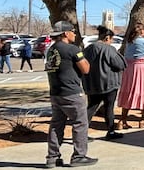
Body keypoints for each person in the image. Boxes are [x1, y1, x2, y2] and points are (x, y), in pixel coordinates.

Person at [45, 21, 97, 168]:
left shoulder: (51, 50)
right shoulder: (72, 49)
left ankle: (52, 157)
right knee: (80, 124)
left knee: (56, 125)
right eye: (73, 31)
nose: (74, 34)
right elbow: (85, 69)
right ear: (66, 33)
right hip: (72, 93)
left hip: (56, 93)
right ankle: (79, 156)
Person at [84, 25, 126, 140]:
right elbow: (120, 64)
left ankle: (81, 133)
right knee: (109, 108)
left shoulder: (88, 49)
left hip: (92, 83)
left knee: (91, 108)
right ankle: (110, 131)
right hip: (109, 83)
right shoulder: (109, 49)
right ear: (107, 38)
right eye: (111, 39)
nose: (111, 41)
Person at [116, 22, 144, 129]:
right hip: (143, 68)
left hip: (130, 69)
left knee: (129, 92)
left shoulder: (129, 42)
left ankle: (122, 120)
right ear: (141, 31)